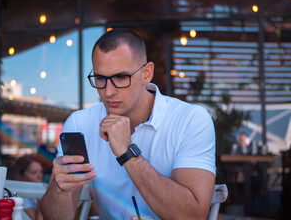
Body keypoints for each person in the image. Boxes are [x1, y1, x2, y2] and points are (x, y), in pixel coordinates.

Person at [40, 28, 216, 219]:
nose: (108, 92)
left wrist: (127, 152)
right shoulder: (80, 124)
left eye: (120, 77)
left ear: (147, 73)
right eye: (100, 78)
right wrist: (59, 188)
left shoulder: (190, 120)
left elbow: (194, 216)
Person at [11, 155, 44, 220]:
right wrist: (41, 201)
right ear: (20, 176)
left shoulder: (35, 192)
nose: (40, 176)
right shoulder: (20, 198)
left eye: (41, 172)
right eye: (34, 173)